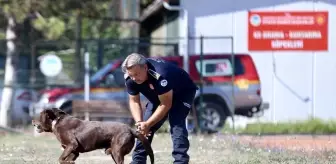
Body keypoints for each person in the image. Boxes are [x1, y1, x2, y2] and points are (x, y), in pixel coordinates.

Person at [122, 53, 198, 164]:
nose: (134, 78)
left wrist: (148, 124)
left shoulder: (160, 75)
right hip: (160, 95)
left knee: (176, 123)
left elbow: (166, 105)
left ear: (145, 68)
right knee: (143, 128)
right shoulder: (130, 78)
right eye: (131, 75)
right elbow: (134, 101)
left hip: (182, 92)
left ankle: (180, 161)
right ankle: (138, 161)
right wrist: (141, 123)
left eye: (137, 74)